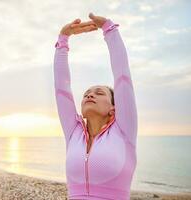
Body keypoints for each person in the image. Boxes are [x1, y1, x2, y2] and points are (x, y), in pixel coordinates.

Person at [53, 12, 138, 200]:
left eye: (99, 93)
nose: (90, 94)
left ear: (114, 108)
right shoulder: (74, 133)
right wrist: (63, 40)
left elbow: (122, 76)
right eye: (86, 94)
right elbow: (61, 88)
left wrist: (109, 30)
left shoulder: (124, 130)